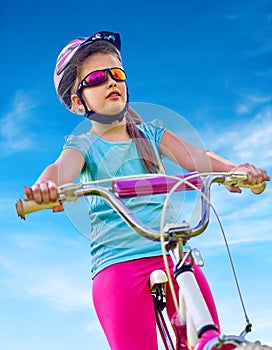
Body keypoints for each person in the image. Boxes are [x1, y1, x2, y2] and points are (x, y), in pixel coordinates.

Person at [24, 31, 269, 350]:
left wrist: (234, 169)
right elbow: (60, 169)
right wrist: (48, 186)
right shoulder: (83, 145)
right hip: (117, 263)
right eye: (97, 77)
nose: (111, 82)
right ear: (76, 101)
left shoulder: (152, 134)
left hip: (172, 253)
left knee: (207, 330)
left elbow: (196, 157)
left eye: (117, 74)